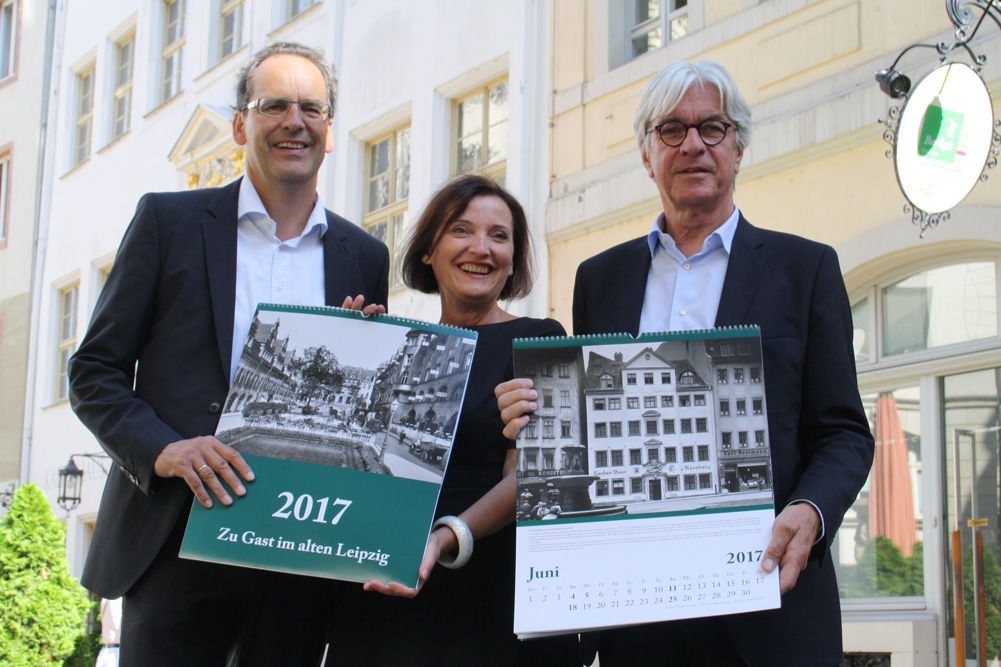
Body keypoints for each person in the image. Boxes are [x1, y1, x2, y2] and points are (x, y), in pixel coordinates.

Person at [497, 60, 874, 667]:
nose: (693, 144)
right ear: (648, 154)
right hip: (635, 614)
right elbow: (589, 425)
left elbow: (844, 434)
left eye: (713, 127)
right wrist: (535, 419)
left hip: (768, 605)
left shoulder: (805, 270)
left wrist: (811, 511)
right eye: (672, 129)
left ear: (738, 147)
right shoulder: (600, 279)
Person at [69, 42, 389, 666]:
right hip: (174, 541)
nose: (294, 121)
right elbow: (93, 372)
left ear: (329, 132)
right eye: (274, 106)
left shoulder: (363, 255)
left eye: (311, 109)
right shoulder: (168, 222)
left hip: (301, 553)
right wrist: (162, 449)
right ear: (241, 124)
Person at [328, 175, 578, 665]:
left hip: (493, 597)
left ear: (513, 259)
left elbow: (529, 475)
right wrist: (348, 341)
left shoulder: (542, 338)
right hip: (390, 593)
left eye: (499, 236)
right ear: (428, 251)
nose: (481, 248)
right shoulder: (398, 342)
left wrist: (444, 537)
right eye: (461, 230)